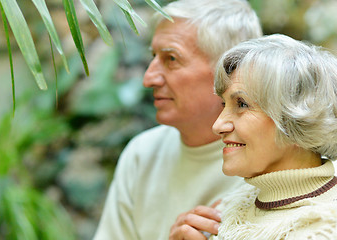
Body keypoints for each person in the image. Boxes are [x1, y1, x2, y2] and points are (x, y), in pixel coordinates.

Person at [93, 0, 262, 239]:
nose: (149, 78)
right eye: (153, 56)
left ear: (230, 71)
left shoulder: (276, 163)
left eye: (171, 59)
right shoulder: (142, 154)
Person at [170, 34, 337, 240]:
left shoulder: (323, 228)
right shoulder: (232, 207)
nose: (218, 125)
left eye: (241, 104)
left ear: (300, 116)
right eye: (224, 104)